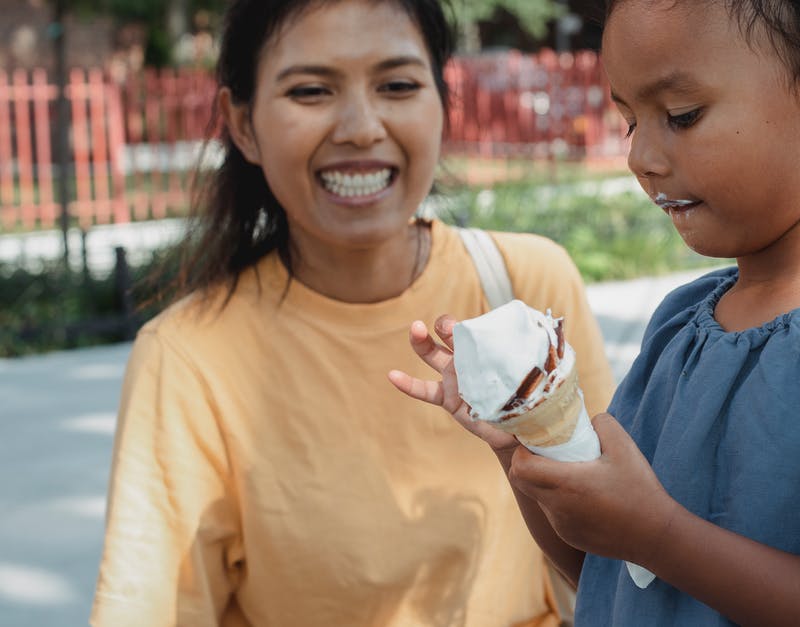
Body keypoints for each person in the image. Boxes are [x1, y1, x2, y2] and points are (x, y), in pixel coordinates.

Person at [390, 0, 800, 625]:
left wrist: (659, 534)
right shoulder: (681, 325)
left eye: (682, 115)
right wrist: (520, 442)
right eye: (632, 121)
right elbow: (613, 572)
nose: (641, 158)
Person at [91, 0, 614, 625]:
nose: (362, 127)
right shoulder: (186, 359)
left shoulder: (527, 286)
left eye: (397, 85)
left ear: (443, 103)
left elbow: (615, 555)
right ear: (243, 123)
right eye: (311, 90)